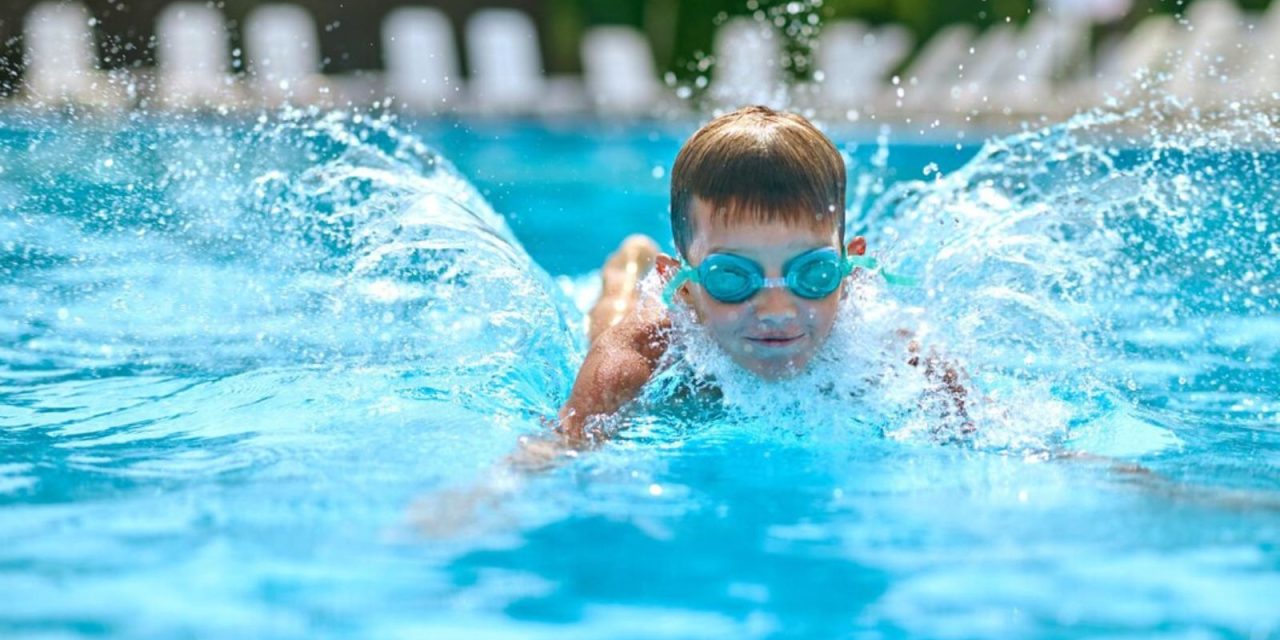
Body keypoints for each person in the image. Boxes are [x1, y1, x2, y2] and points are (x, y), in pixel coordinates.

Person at [557, 105, 970, 444]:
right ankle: (631, 264)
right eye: (731, 277)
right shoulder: (641, 352)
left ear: (848, 272)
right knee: (612, 317)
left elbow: (984, 433)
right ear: (681, 286)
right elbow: (556, 451)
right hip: (652, 322)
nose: (776, 310)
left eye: (814, 273)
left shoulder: (889, 347)